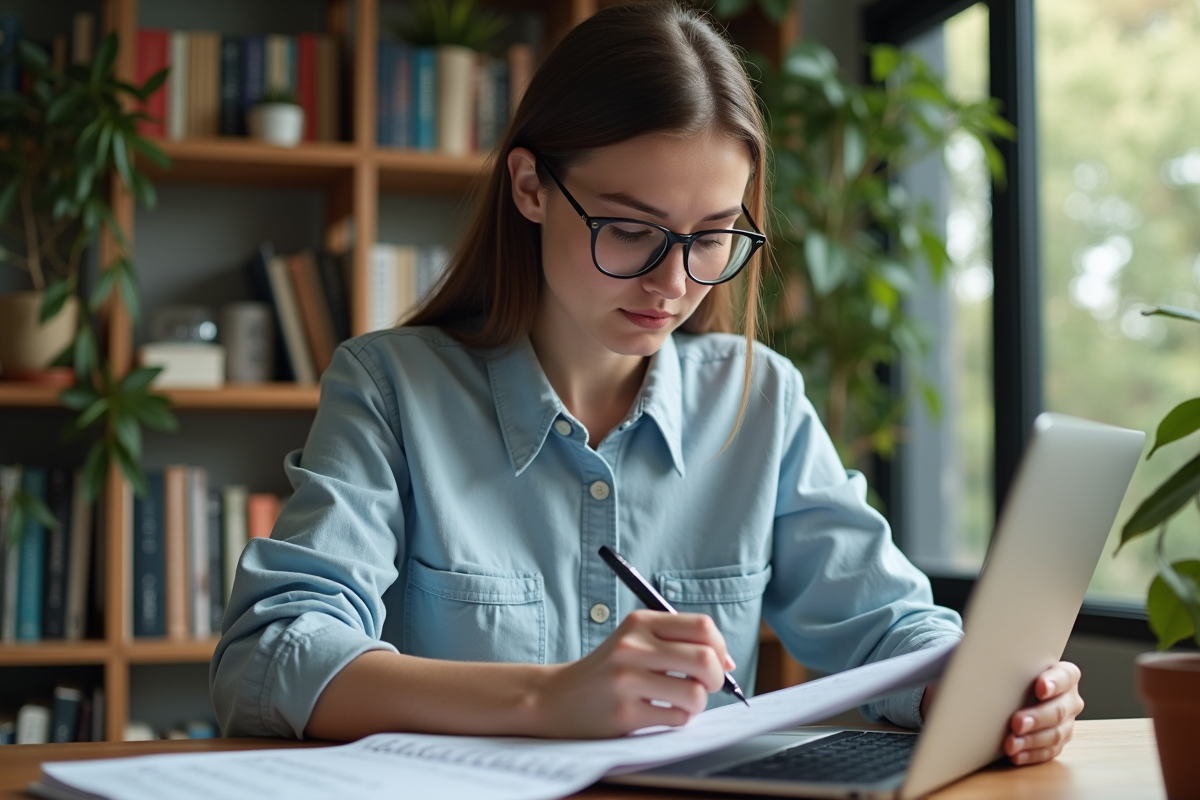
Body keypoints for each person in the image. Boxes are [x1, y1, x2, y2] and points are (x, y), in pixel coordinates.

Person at [210, 1, 1083, 766]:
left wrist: (977, 690)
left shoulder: (759, 398)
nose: (674, 283)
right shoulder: (392, 387)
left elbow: (892, 630)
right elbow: (271, 653)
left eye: (713, 236)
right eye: (631, 230)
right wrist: (547, 699)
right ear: (530, 187)